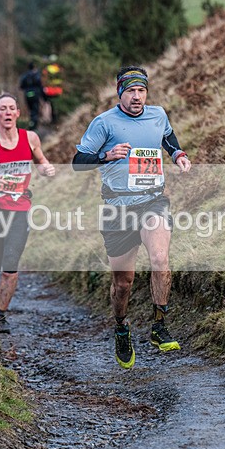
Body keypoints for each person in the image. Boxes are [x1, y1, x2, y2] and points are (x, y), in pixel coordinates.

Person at [72, 66, 191, 369]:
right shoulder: (104, 123)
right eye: (131, 91)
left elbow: (168, 139)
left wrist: (178, 155)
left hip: (153, 202)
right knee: (123, 283)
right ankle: (122, 327)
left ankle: (159, 326)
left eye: (141, 91)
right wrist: (105, 156)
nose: (137, 97)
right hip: (117, 208)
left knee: (160, 259)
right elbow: (77, 161)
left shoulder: (158, 114)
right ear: (120, 93)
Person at [0, 93, 56, 334]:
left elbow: (42, 161)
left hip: (20, 210)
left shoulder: (31, 138)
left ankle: (1, 315)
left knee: (10, 266)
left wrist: (46, 169)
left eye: (11, 108)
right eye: (2, 108)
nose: (7, 112)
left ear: (17, 113)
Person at [19, 62, 44, 131]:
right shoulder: (37, 75)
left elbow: (21, 86)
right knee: (35, 110)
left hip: (27, 94)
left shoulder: (25, 76)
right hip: (35, 94)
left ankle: (31, 123)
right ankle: (34, 126)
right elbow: (40, 85)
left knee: (31, 110)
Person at [42, 55, 63, 124]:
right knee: (57, 105)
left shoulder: (47, 69)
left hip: (50, 91)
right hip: (58, 90)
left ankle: (50, 119)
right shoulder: (59, 69)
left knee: (49, 105)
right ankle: (57, 119)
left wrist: (44, 88)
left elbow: (44, 79)